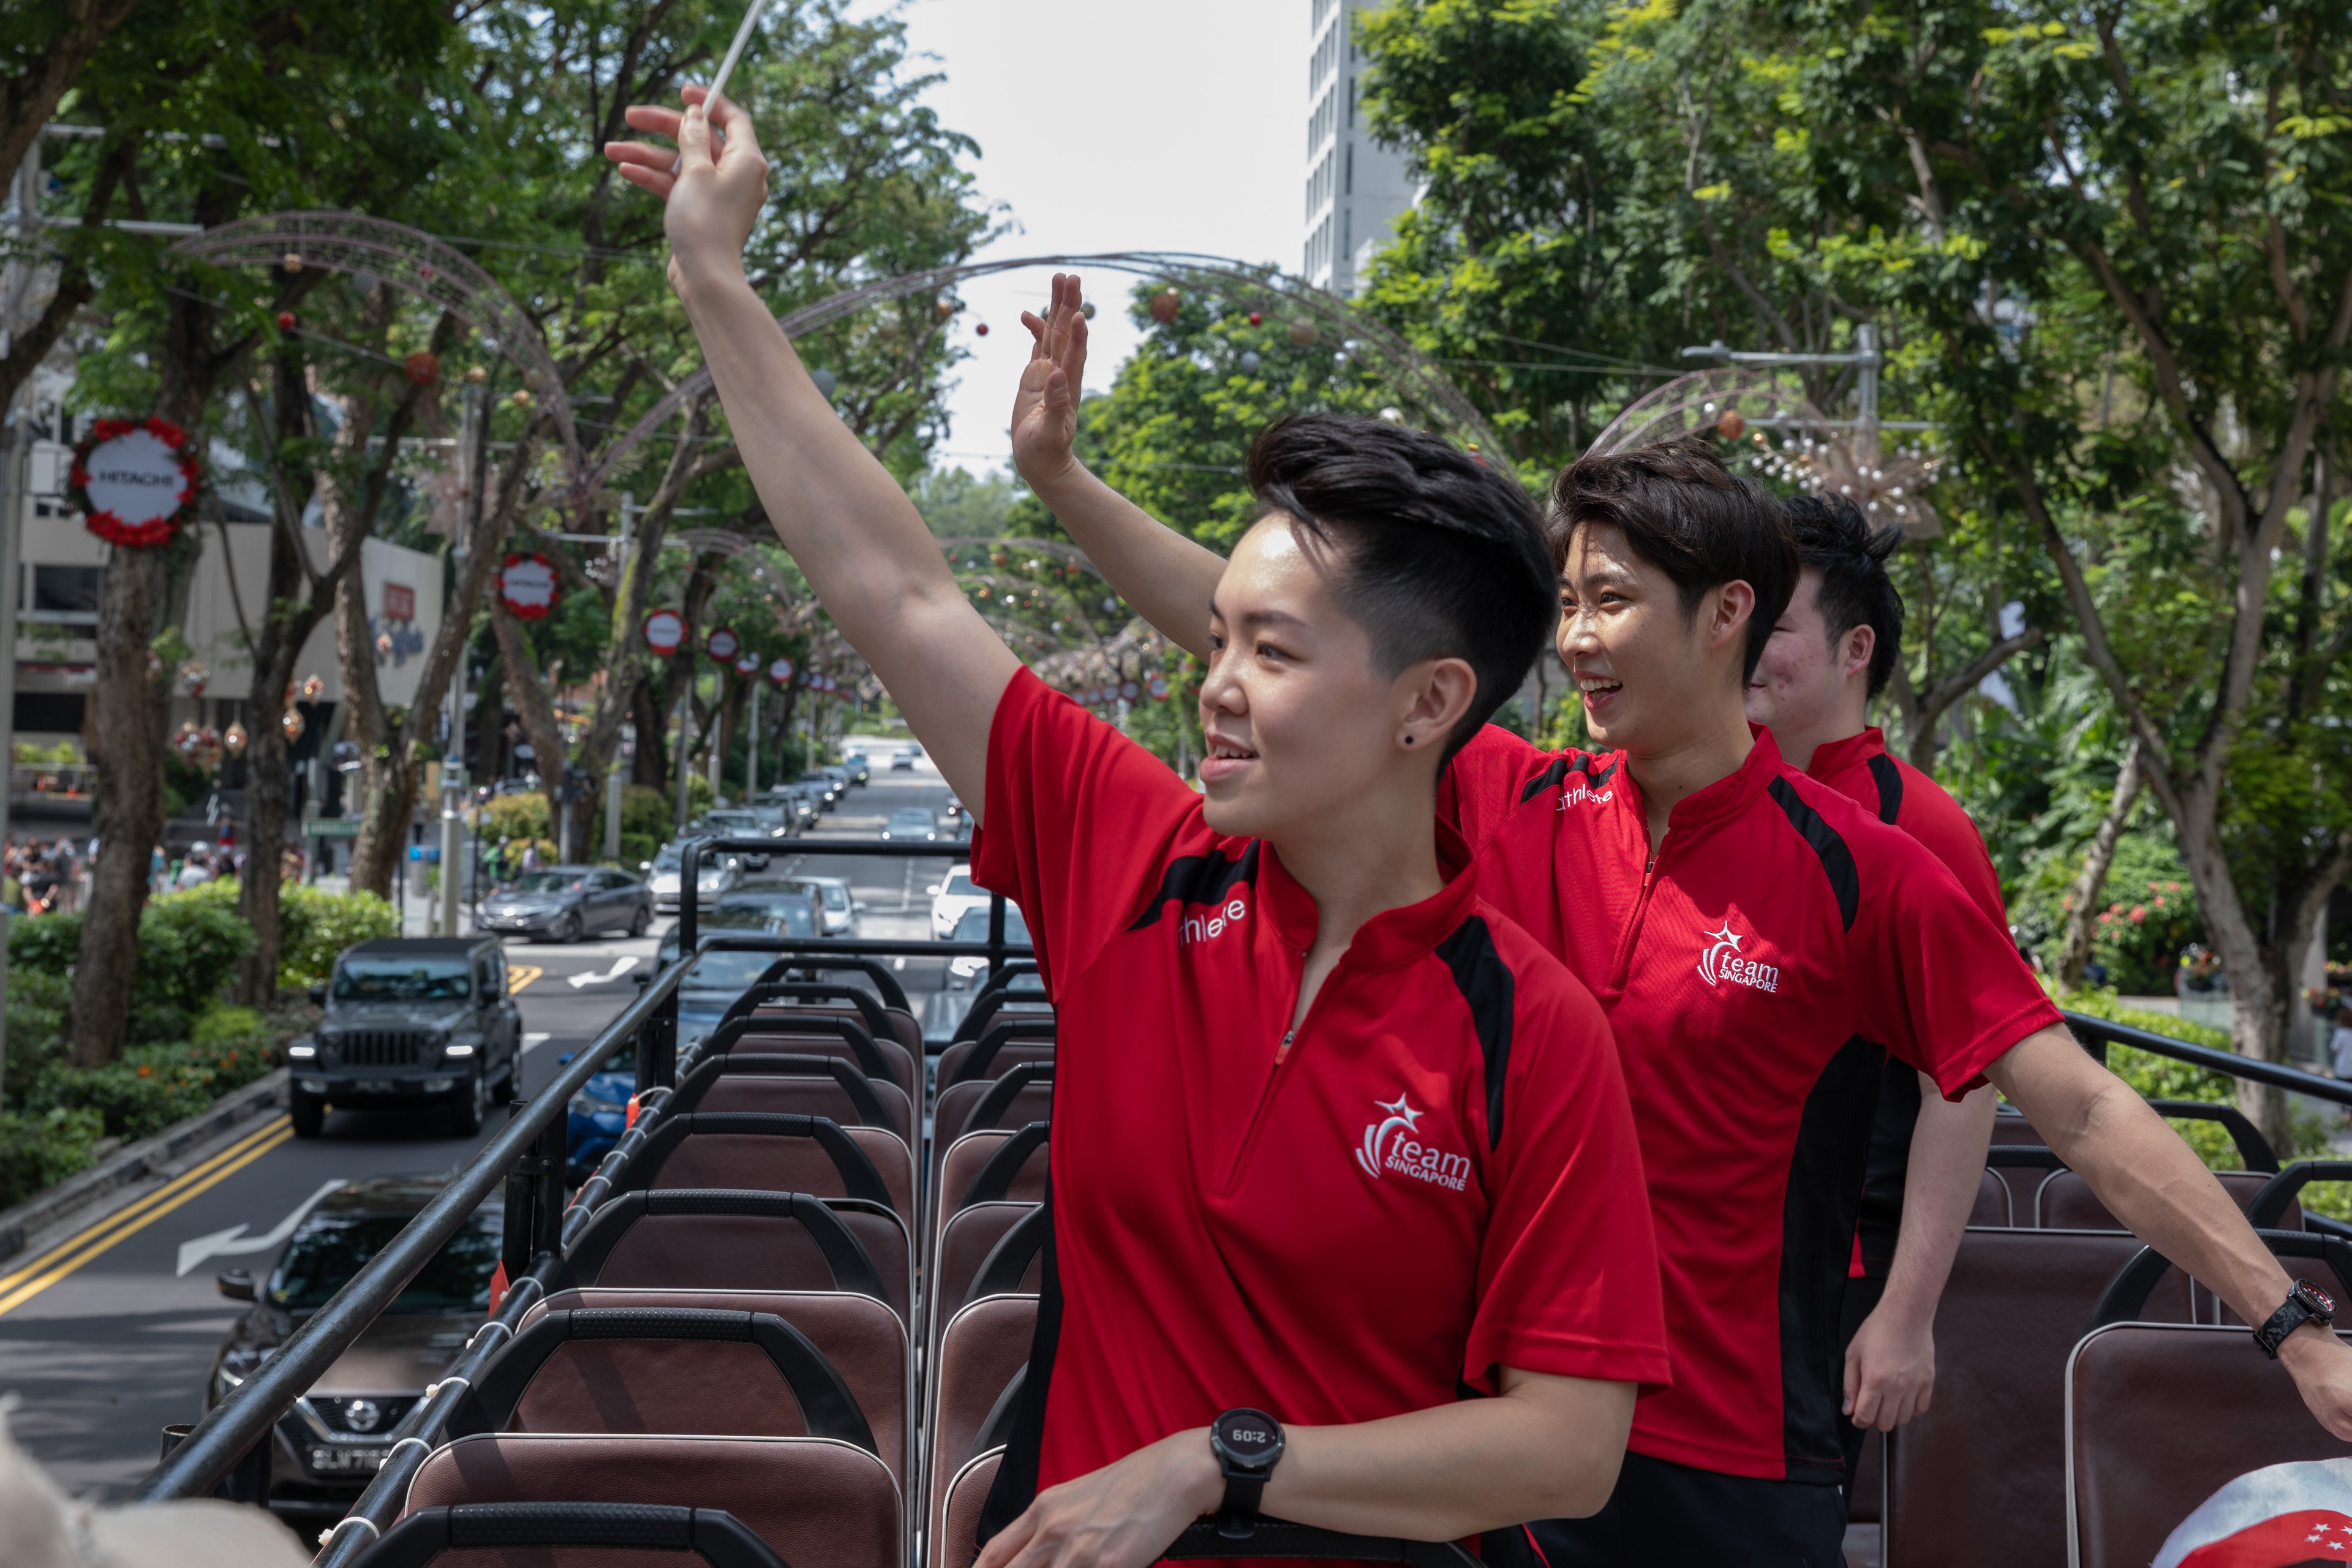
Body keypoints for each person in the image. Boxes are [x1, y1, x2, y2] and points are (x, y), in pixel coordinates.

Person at [1006, 276, 2352, 1564]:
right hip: (1484, 1453)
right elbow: (1285, 637)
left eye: (1610, 603)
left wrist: (2289, 1319)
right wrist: (1065, 479)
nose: (1578, 641)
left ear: (1725, 619)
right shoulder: (1506, 794)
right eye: (1570, 603)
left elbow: (2081, 1108)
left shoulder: (1860, 870)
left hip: (1735, 1458)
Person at [606, 89, 1672, 1568]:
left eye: (1274, 654)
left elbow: (1569, 1439)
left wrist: (1216, 1464)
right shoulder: (1135, 859)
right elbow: (900, 587)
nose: (1216, 688)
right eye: (1219, 638)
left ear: (1431, 700)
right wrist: (716, 278)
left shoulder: (1530, 1030)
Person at [1741, 494, 1999, 1477]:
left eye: (1773, 627)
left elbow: (1964, 1084)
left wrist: (1905, 1315)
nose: (1741, 647)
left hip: (1831, 1276)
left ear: (1856, 651)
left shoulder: (1918, 829)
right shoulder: (1698, 796)